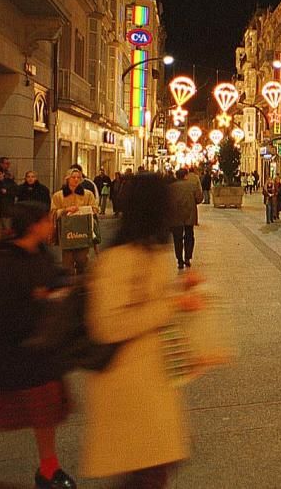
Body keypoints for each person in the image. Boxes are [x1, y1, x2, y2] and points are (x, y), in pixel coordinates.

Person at [81, 174, 202, 487]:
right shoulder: (120, 258)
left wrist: (179, 293)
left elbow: (151, 303)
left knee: (151, 471)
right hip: (128, 384)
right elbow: (107, 325)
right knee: (147, 473)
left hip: (149, 380)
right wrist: (172, 303)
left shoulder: (149, 251)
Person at [0, 202, 76, 488]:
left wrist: (59, 286)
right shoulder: (4, 261)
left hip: (40, 345)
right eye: (47, 220)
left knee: (33, 407)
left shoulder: (40, 252)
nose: (51, 225)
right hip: (14, 349)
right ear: (33, 225)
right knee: (32, 406)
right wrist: (40, 299)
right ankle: (48, 469)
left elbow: (54, 275)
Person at [50, 169, 98, 275]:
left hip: (83, 232)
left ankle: (81, 283)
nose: (76, 179)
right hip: (67, 233)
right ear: (67, 179)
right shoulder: (58, 195)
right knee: (67, 262)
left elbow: (95, 209)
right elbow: (53, 213)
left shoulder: (88, 194)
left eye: (78, 177)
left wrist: (82, 210)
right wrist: (65, 210)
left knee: (82, 260)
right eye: (73, 177)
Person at [168, 169, 203, 270]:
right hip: (189, 214)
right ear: (185, 176)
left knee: (177, 238)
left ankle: (179, 260)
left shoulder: (171, 187)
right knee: (189, 236)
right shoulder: (192, 186)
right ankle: (187, 257)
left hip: (176, 216)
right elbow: (199, 198)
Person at [0, 166, 19, 237]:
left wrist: (7, 192)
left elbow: (16, 192)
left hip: (7, 210)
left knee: (7, 230)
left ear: (3, 173)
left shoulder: (9, 182)